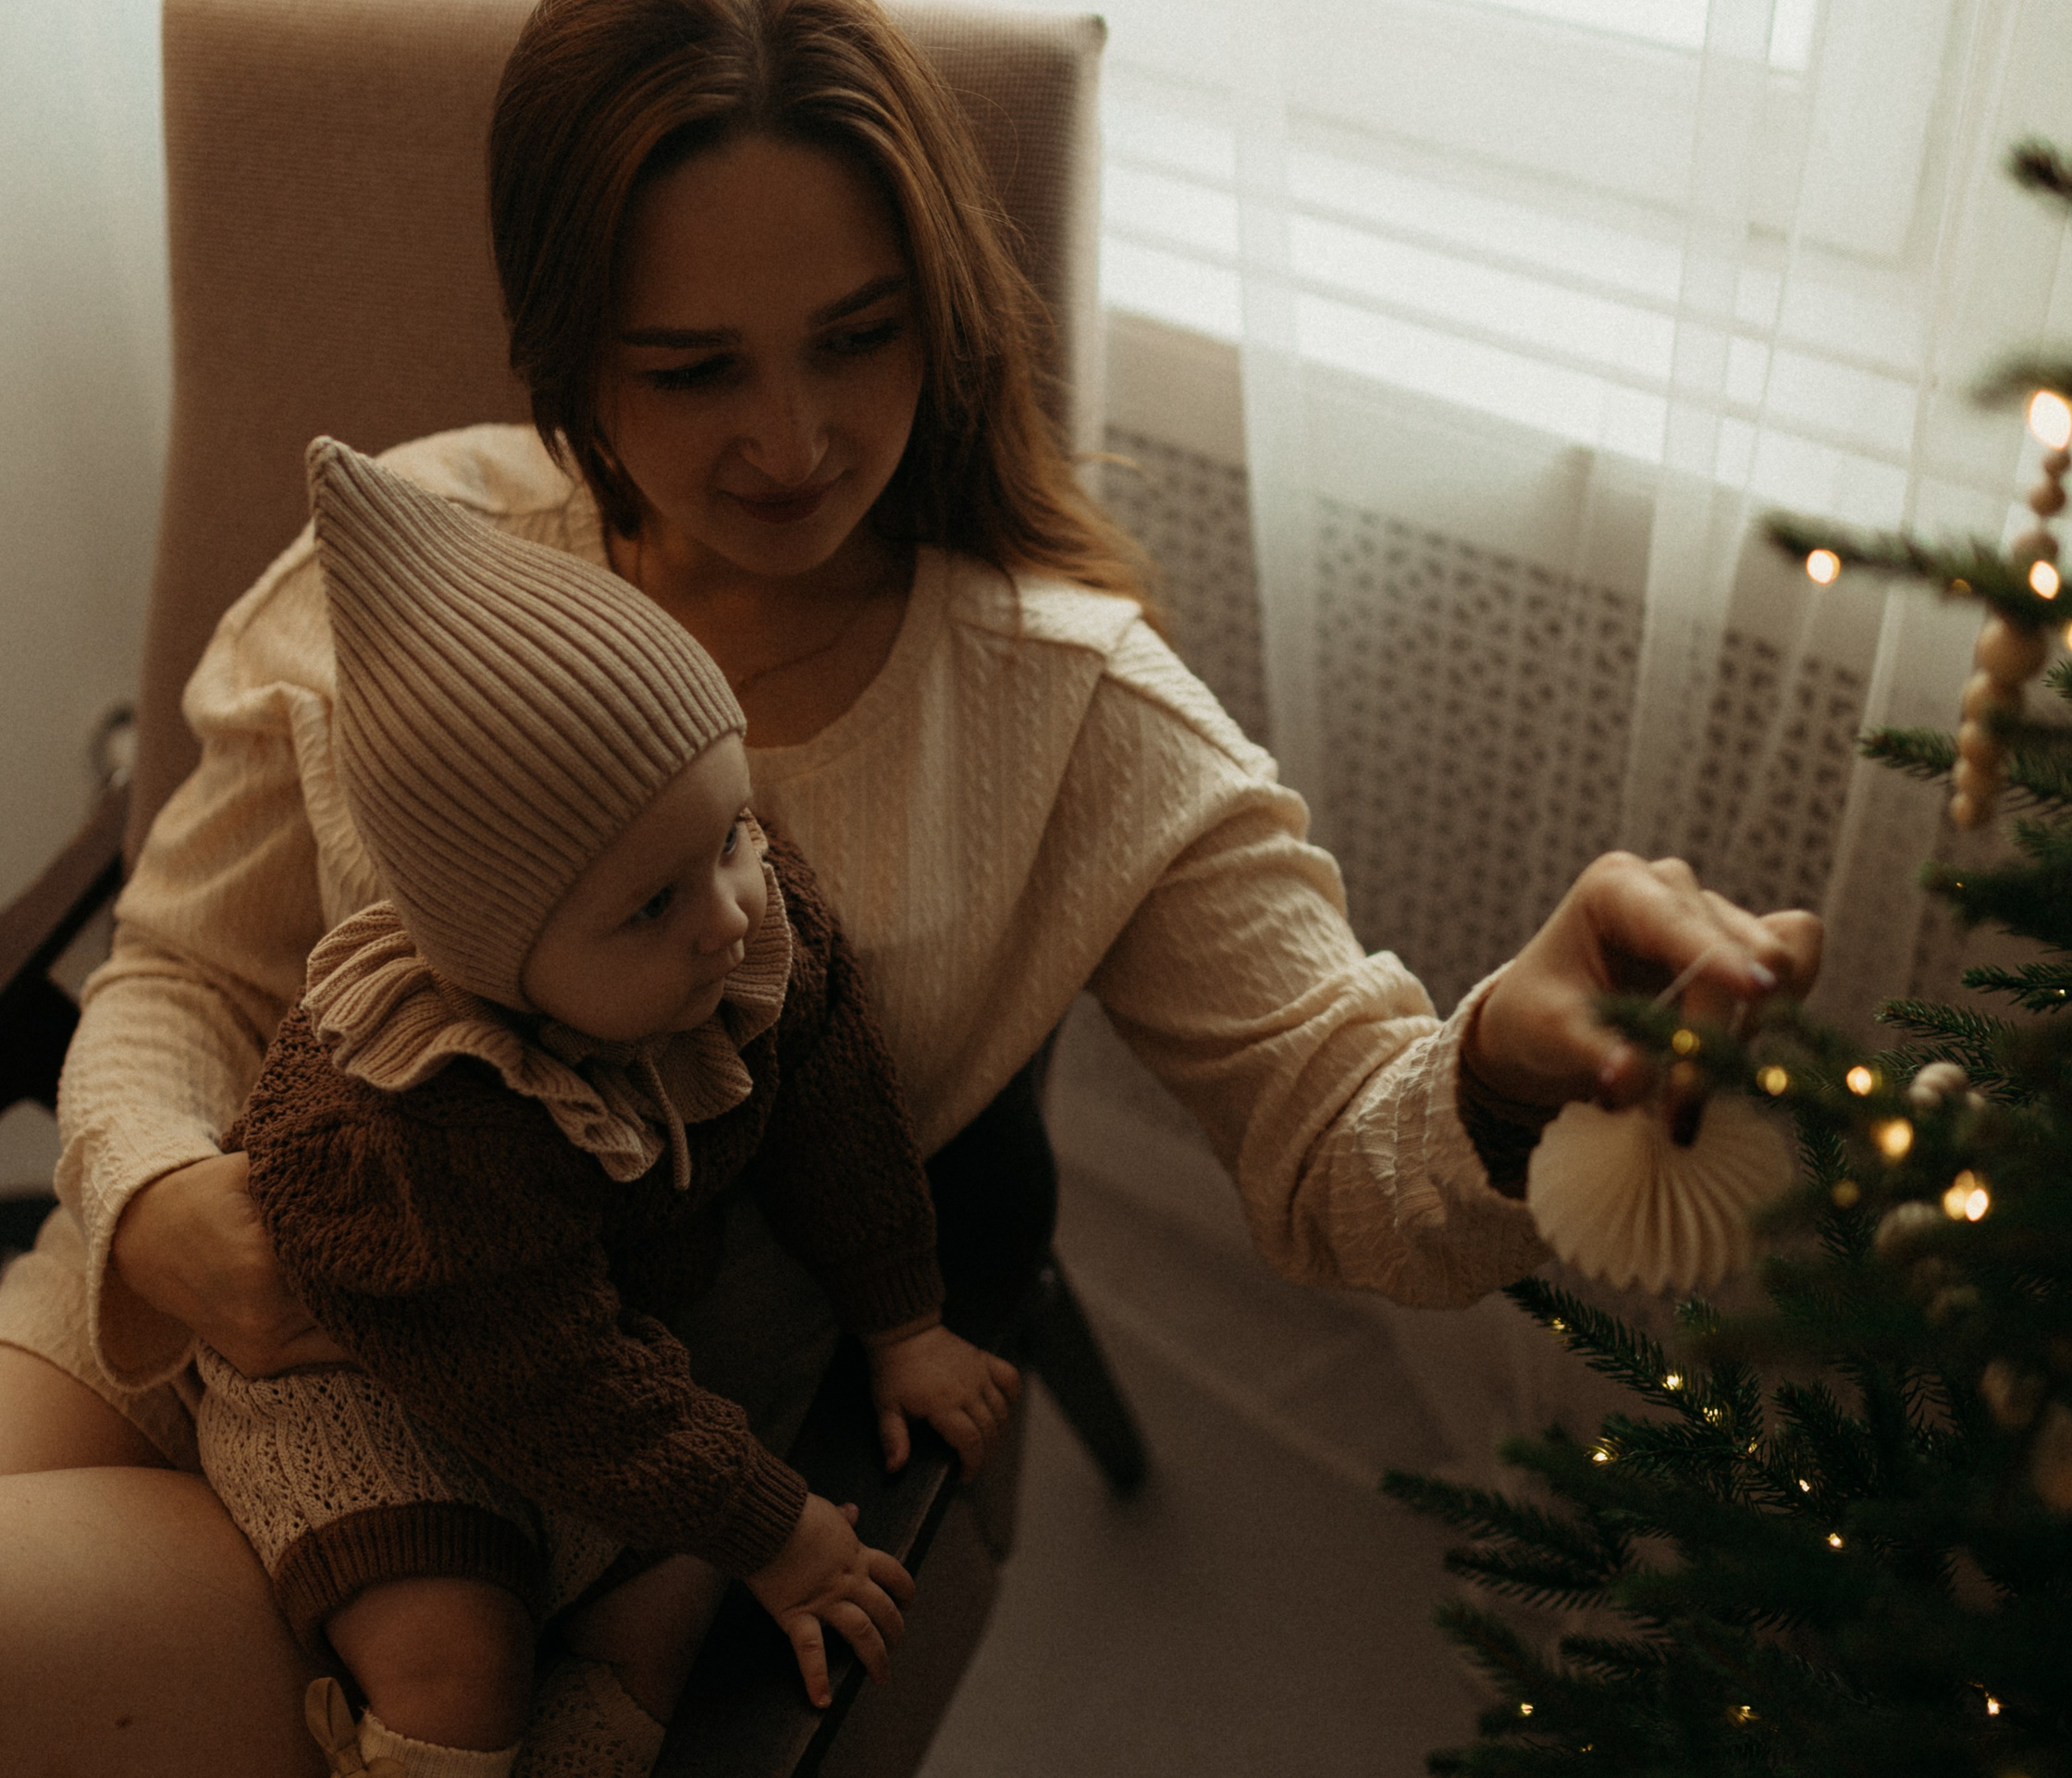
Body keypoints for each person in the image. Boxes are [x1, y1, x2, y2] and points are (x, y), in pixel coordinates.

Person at [0, 1, 1823, 1772]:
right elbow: (175, 978)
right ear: (563, 350)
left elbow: (1350, 1157)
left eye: (855, 338)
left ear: (938, 320)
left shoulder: (1068, 719)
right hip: (165, 1306)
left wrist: (1503, 1055)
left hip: (516, 1468)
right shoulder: (409, 557)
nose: (792, 442)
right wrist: (157, 1200)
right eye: (695, 365)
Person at [195, 436, 1016, 1776]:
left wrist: (904, 1316)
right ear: (488, 951)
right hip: (357, 1375)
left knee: (677, 1592)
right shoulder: (426, 1123)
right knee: (459, 1659)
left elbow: (842, 1116)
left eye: (734, 832)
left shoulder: (742, 922)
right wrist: (779, 1522)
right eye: (653, 901)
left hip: (584, 1349)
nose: (730, 914)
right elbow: (562, 1386)